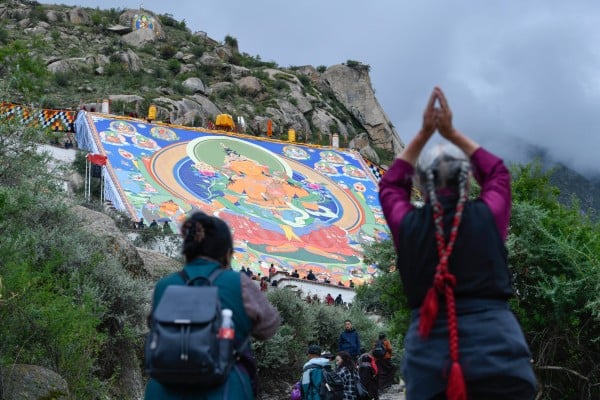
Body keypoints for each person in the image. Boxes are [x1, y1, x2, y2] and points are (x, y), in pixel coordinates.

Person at [378, 87, 537, 400]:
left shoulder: (408, 225)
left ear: (421, 187)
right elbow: (497, 173)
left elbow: (390, 185)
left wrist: (425, 133)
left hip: (430, 369)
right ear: (469, 182)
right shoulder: (489, 216)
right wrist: (450, 132)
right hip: (501, 361)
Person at [144, 211, 281, 399]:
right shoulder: (239, 283)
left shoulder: (164, 286)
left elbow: (152, 325)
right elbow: (269, 327)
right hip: (225, 390)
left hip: (162, 390)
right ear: (226, 252)